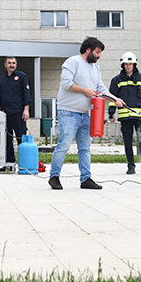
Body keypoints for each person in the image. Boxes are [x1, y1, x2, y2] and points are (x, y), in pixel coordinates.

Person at [48, 37, 124, 190]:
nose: (99, 56)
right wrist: (86, 91)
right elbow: (66, 83)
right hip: (68, 112)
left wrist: (115, 99)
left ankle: (86, 179)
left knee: (85, 148)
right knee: (64, 145)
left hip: (85, 114)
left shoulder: (95, 69)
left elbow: (101, 89)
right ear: (88, 50)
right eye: (97, 52)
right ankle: (54, 177)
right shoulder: (73, 62)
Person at [108, 51, 141, 176]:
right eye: (126, 64)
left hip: (140, 117)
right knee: (128, 143)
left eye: (131, 64)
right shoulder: (116, 80)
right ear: (123, 65)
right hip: (125, 117)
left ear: (134, 64)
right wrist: (111, 113)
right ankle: (131, 167)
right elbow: (113, 98)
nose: (128, 66)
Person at [0, 56, 31, 163]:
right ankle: (9, 162)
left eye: (13, 63)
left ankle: (24, 162)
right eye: (9, 63)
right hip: (4, 114)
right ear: (5, 65)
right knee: (6, 140)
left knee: (21, 139)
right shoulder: (1, 79)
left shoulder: (22, 77)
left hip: (18, 113)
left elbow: (26, 94)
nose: (11, 65)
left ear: (16, 65)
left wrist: (26, 110)